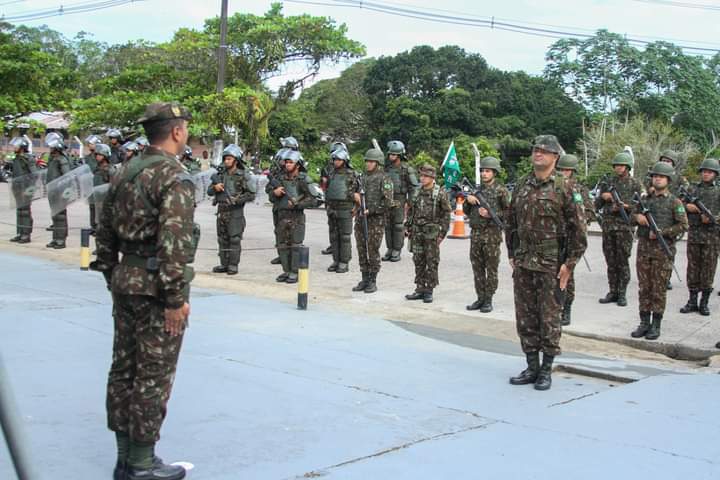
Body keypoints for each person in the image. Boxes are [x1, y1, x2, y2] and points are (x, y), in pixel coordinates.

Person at [92, 101, 197, 480]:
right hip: (156, 289)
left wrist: (114, 276)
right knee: (153, 374)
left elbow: (102, 232)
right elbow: (174, 243)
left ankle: (125, 457)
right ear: (176, 132)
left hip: (125, 281)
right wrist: (175, 298)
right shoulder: (174, 176)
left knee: (124, 369)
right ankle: (141, 463)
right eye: (185, 127)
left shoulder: (124, 172)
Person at [506, 135, 587, 391]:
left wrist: (569, 264)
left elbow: (579, 230)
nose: (538, 153)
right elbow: (511, 222)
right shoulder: (521, 185)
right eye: (536, 150)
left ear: (555, 157)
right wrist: (512, 252)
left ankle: (546, 370)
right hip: (524, 262)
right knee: (525, 317)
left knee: (550, 318)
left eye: (544, 151)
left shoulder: (566, 187)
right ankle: (531, 366)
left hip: (552, 264)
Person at [631, 162, 688, 341]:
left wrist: (662, 233)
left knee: (658, 289)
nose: (657, 178)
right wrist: (637, 217)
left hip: (663, 251)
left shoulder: (675, 202)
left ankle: (656, 324)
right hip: (644, 249)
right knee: (644, 287)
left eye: (661, 177)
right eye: (655, 176)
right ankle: (644, 322)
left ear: (668, 180)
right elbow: (631, 216)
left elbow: (683, 225)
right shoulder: (644, 199)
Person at [595, 152, 644, 306]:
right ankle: (613, 291)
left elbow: (641, 206)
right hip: (609, 227)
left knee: (622, 261)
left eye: (621, 165)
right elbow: (597, 205)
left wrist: (626, 206)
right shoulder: (608, 182)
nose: (618, 168)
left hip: (624, 227)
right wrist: (604, 197)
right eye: (616, 165)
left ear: (627, 167)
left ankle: (622, 293)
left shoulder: (635, 184)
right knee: (610, 261)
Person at [463, 156, 510, 313]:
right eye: (482, 171)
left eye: (487, 171)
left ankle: (488, 299)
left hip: (491, 236)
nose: (484, 174)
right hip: (476, 235)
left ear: (494, 173)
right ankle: (480, 297)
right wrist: (467, 200)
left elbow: (509, 213)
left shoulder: (501, 190)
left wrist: (491, 214)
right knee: (477, 268)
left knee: (491, 269)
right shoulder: (477, 190)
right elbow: (466, 212)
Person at [556, 154, 596, 325]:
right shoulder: (552, 187)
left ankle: (567, 309)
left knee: (567, 275)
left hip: (570, 238)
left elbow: (589, 212)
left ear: (572, 171)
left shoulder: (579, 189)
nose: (563, 172)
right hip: (552, 237)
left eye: (566, 169)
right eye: (560, 169)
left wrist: (576, 221)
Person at [678, 158, 720, 316]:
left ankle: (704, 302)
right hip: (695, 234)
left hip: (712, 236)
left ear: (715, 174)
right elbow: (678, 205)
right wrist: (689, 207)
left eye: (709, 172)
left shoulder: (718, 191)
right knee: (693, 268)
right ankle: (692, 300)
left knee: (708, 269)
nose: (706, 174)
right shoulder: (692, 189)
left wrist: (713, 218)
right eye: (704, 171)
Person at [404, 164, 452, 303]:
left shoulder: (440, 193)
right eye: (422, 175)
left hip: (432, 234)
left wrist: (442, 233)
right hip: (417, 232)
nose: (423, 178)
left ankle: (429, 290)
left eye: (426, 176)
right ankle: (419, 288)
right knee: (418, 261)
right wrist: (408, 226)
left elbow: (446, 214)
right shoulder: (417, 191)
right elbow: (412, 210)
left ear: (432, 178)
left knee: (431, 262)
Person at [208, 144, 256, 275]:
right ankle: (224, 264)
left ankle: (233, 265)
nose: (226, 161)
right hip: (221, 211)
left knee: (234, 239)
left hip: (236, 212)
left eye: (229, 159)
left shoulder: (243, 175)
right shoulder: (220, 174)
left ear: (236, 160)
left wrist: (237, 200)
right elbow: (209, 191)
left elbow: (251, 194)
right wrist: (215, 188)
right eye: (225, 159)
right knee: (222, 239)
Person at [269, 149, 316, 283]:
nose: (287, 165)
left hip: (296, 217)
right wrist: (275, 193)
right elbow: (271, 197)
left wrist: (297, 203)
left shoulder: (303, 179)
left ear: (298, 164)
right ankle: (286, 270)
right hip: (281, 216)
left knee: (295, 246)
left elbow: (314, 200)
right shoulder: (280, 178)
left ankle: (295, 272)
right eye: (286, 162)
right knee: (282, 246)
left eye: (291, 162)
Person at [353, 148, 394, 293]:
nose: (368, 164)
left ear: (378, 163)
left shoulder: (385, 178)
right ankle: (364, 278)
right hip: (360, 218)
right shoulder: (361, 177)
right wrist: (355, 197)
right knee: (361, 249)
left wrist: (372, 210)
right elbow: (352, 191)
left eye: (372, 162)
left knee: (373, 250)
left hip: (375, 221)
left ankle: (373, 280)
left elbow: (388, 201)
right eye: (367, 161)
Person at [383, 140, 419, 262]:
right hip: (387, 199)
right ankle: (389, 248)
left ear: (400, 155)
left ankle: (397, 249)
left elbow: (414, 186)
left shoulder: (406, 169)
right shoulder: (386, 168)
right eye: (390, 154)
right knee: (387, 226)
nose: (391, 156)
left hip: (400, 199)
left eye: (394, 154)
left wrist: (410, 201)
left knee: (398, 226)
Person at [325, 147, 359, 273]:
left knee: (344, 237)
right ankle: (336, 260)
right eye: (334, 159)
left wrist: (356, 208)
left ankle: (344, 262)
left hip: (345, 209)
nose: (336, 162)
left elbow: (359, 193)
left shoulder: (352, 174)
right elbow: (328, 190)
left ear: (345, 160)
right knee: (334, 236)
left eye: (338, 159)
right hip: (332, 209)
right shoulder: (331, 173)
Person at [269, 137, 299, 266]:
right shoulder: (278, 159)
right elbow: (272, 175)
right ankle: (281, 254)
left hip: (291, 201)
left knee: (292, 233)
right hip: (278, 199)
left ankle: (290, 259)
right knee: (278, 229)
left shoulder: (297, 160)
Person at [320, 141, 348, 256]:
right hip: (330, 200)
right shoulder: (327, 168)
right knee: (332, 226)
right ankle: (333, 246)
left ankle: (342, 250)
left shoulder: (348, 169)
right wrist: (324, 182)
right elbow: (321, 183)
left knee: (343, 229)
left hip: (343, 202)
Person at [45, 133, 71, 249]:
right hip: (52, 191)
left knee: (60, 216)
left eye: (52, 147)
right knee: (55, 215)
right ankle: (55, 238)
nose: (50, 149)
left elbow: (67, 176)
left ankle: (61, 240)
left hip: (60, 192)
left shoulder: (62, 159)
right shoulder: (52, 158)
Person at [8, 136, 35, 243]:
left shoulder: (28, 158)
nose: (14, 147)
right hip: (17, 188)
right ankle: (20, 232)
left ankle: (26, 234)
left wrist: (28, 188)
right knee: (19, 211)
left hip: (26, 189)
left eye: (16, 145)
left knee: (25, 212)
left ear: (22, 147)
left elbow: (34, 174)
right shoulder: (17, 158)